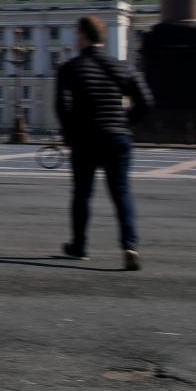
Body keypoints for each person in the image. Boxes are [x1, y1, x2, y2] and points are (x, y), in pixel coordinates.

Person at [55, 16, 152, 271]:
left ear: (83, 36)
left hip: (86, 138)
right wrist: (124, 123)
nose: (75, 39)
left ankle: (79, 246)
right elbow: (146, 102)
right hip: (117, 138)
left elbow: (62, 106)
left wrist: (70, 133)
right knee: (121, 193)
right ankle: (129, 246)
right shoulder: (122, 67)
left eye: (76, 34)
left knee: (82, 194)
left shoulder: (71, 68)